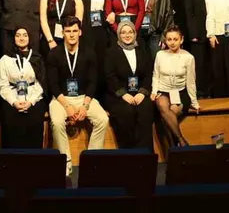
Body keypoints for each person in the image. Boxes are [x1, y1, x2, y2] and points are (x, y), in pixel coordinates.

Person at [47, 17, 109, 176]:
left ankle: (92, 161)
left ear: (80, 32)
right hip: (61, 99)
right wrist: (67, 106)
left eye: (75, 31)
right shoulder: (54, 54)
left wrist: (85, 106)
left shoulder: (89, 52)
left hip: (83, 98)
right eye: (68, 31)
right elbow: (53, 84)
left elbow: (92, 82)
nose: (72, 34)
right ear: (62, 33)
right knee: (56, 121)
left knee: (103, 119)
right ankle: (65, 162)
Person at [103, 21, 155, 151]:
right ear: (119, 35)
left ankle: (145, 154)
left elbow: (148, 74)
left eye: (130, 32)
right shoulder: (111, 52)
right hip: (118, 95)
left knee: (146, 109)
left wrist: (142, 92)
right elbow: (110, 77)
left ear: (134, 33)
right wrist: (123, 94)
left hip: (139, 94)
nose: (127, 35)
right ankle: (128, 153)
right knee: (126, 112)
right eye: (123, 32)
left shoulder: (142, 50)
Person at [0, 27, 47, 148]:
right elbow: (3, 86)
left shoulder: (37, 58)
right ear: (13, 38)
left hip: (33, 98)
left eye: (25, 35)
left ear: (29, 38)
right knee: (10, 120)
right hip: (12, 98)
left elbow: (40, 84)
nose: (21, 38)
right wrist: (14, 102)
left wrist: (30, 101)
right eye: (18, 35)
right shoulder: (5, 59)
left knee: (35, 121)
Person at [152, 26, 200, 147]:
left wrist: (194, 102)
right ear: (165, 40)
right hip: (163, 90)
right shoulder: (160, 55)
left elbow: (191, 81)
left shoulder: (189, 58)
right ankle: (181, 140)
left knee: (167, 117)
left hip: (180, 92)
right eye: (169, 39)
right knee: (162, 105)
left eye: (175, 39)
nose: (172, 42)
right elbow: (156, 76)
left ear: (181, 39)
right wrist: (154, 91)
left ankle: (174, 149)